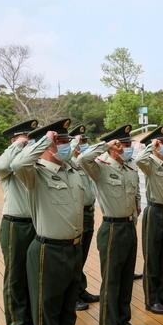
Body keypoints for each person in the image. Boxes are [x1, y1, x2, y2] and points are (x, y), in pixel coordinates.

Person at [12, 118, 84, 325]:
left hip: (74, 249)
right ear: (48, 145)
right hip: (48, 252)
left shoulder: (70, 170)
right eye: (60, 141)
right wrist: (43, 140)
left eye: (66, 141)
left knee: (67, 314)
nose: (66, 145)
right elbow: (18, 162)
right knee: (46, 319)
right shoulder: (35, 174)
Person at [77, 124, 145, 325]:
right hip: (112, 229)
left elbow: (135, 192)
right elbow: (83, 160)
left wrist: (135, 207)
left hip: (129, 226)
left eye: (128, 144)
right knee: (112, 282)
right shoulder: (101, 168)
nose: (127, 148)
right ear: (114, 148)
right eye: (123, 145)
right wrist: (103, 146)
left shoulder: (130, 168)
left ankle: (123, 321)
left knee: (126, 280)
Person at [0, 119, 38, 325]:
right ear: (13, 141)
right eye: (23, 138)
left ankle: (31, 318)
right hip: (15, 225)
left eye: (30, 138)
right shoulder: (7, 163)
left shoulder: (33, 162)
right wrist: (17, 146)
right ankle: (18, 323)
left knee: (34, 274)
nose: (28, 142)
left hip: (38, 223)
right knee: (16, 275)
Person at [136, 126, 163, 315]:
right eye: (159, 142)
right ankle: (151, 299)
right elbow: (138, 159)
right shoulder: (150, 163)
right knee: (152, 259)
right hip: (153, 212)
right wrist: (149, 146)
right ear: (153, 145)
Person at [68, 124, 100, 311]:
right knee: (74, 257)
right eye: (80, 141)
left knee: (82, 255)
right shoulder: (69, 162)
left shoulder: (82, 162)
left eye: (86, 140)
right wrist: (73, 146)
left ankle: (81, 289)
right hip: (77, 214)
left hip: (89, 212)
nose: (83, 144)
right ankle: (73, 296)